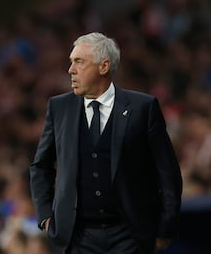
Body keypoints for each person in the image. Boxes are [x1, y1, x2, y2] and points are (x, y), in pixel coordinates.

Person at [29, 32, 182, 254]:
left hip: (131, 235)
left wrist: (165, 227)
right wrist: (45, 217)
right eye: (71, 62)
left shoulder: (143, 107)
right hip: (77, 237)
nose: (70, 69)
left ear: (104, 67)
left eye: (79, 62)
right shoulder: (59, 108)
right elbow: (40, 166)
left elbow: (167, 172)